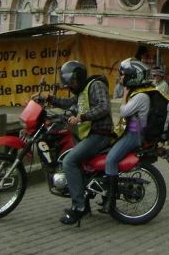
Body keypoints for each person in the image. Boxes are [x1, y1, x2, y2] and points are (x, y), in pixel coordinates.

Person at [48, 60, 114, 225]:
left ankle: (79, 207)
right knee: (74, 161)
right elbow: (70, 103)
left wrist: (81, 117)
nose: (70, 86)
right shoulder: (82, 91)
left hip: (99, 134)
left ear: (80, 77)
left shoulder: (95, 85)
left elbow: (104, 106)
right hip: (88, 134)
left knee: (69, 161)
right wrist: (48, 99)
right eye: (68, 83)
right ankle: (85, 202)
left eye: (72, 82)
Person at [99, 58, 150, 214]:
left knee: (111, 159)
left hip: (134, 134)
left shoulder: (140, 96)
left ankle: (110, 201)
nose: (120, 78)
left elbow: (123, 111)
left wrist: (124, 95)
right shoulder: (138, 94)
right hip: (130, 131)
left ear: (132, 77)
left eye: (122, 75)